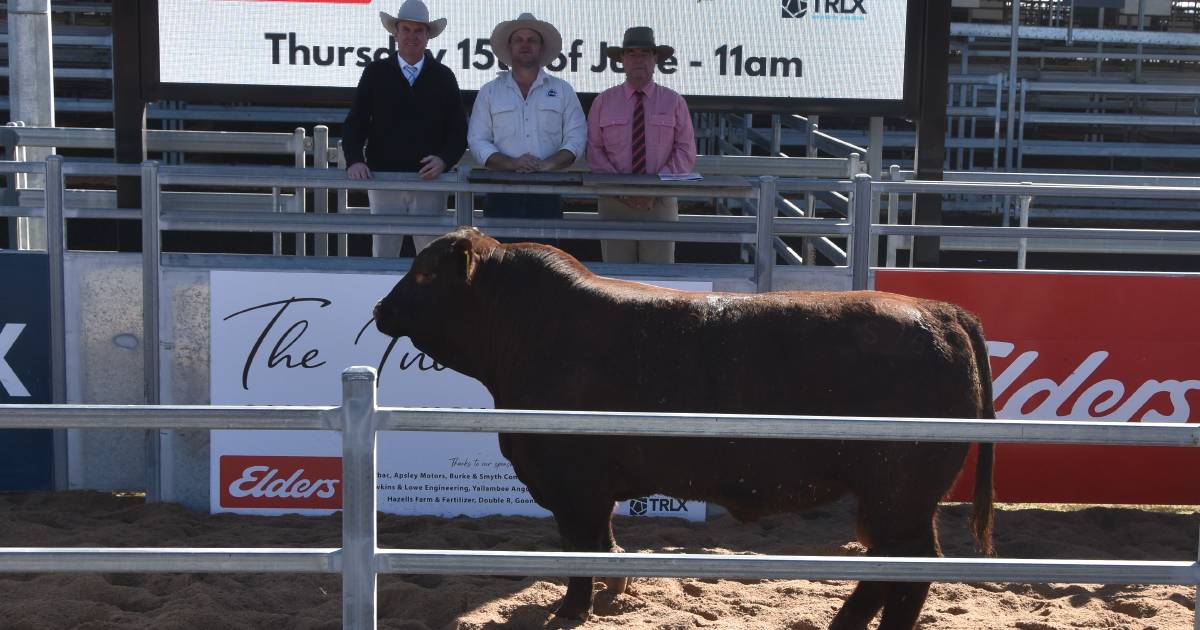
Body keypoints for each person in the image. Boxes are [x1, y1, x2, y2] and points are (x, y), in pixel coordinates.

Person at [343, 0, 467, 257]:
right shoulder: (375, 72)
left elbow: (458, 129)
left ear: (428, 36)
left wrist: (444, 160)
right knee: (383, 254)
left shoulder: (444, 76)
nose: (412, 36)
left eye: (418, 30)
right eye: (406, 30)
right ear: (396, 33)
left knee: (431, 258)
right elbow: (356, 122)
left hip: (429, 181)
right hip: (384, 179)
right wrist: (354, 160)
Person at [586, 26, 696, 264]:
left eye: (645, 53)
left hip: (659, 204)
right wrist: (624, 192)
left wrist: (652, 191)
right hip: (614, 204)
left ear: (655, 59)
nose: (639, 59)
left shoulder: (674, 101)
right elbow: (594, 151)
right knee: (615, 286)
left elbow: (685, 151)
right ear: (622, 60)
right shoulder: (603, 102)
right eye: (632, 54)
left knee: (659, 285)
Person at [468, 13, 586, 224]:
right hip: (500, 190)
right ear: (510, 46)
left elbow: (576, 138)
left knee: (545, 257)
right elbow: (477, 140)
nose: (525, 45)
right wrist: (511, 163)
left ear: (541, 47)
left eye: (532, 40)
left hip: (548, 190)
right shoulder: (489, 92)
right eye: (519, 40)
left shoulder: (563, 90)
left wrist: (547, 165)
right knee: (499, 257)